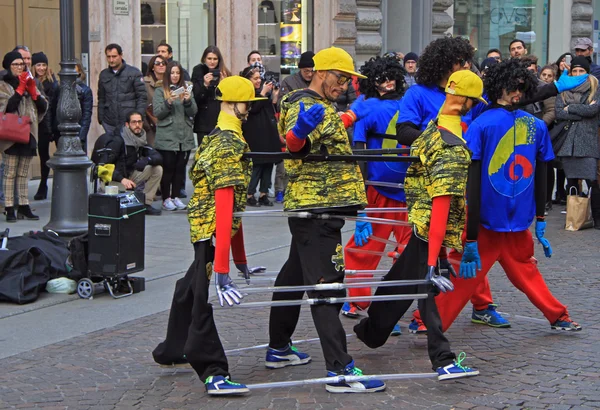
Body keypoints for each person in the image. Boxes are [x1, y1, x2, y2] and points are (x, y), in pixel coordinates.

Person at [267, 46, 386, 394]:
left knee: (293, 277)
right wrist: (299, 133)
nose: (345, 84)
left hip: (318, 208)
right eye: (341, 77)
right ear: (321, 72)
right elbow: (295, 145)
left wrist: (346, 117)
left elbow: (320, 133)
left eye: (349, 80)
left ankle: (278, 347)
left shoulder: (321, 105)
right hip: (316, 210)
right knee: (326, 286)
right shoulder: (304, 104)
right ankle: (340, 370)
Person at [434, 59, 583, 332]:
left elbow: (542, 173)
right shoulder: (483, 125)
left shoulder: (532, 126)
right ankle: (429, 322)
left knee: (526, 273)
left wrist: (539, 217)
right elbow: (473, 181)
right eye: (511, 88)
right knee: (465, 277)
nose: (517, 93)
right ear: (498, 88)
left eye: (521, 88)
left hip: (517, 223)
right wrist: (471, 236)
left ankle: (558, 315)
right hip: (487, 223)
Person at [354, 70, 483, 380]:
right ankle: (443, 359)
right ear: (464, 100)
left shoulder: (428, 134)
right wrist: (433, 259)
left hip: (421, 221)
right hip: (430, 227)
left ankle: (371, 331)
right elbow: (442, 203)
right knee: (424, 285)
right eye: (473, 101)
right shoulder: (451, 146)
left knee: (403, 277)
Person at [152, 76, 265, 395]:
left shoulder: (223, 136)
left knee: (188, 288)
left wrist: (239, 258)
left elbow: (234, 204)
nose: (250, 110)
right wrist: (223, 267)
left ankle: (172, 349)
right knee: (200, 300)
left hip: (209, 226)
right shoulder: (227, 141)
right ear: (232, 104)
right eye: (248, 104)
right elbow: (226, 200)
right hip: (209, 228)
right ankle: (213, 371)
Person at [395, 36, 509, 332]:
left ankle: (482, 304)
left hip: (462, 174)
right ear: (446, 64)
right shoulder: (418, 94)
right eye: (461, 62)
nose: (467, 66)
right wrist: (436, 144)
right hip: (429, 179)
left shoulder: (468, 94)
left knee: (465, 242)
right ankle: (415, 314)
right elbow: (403, 129)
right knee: (424, 247)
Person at [339, 56, 411, 337]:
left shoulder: (407, 104)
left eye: (390, 76)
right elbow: (359, 152)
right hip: (377, 188)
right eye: (380, 79)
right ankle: (358, 301)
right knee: (364, 247)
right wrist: (362, 193)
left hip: (406, 190)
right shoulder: (368, 109)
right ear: (372, 82)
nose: (387, 82)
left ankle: (393, 308)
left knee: (411, 249)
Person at [0, 51, 48, 222]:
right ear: (8, 66)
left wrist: (34, 94)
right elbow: (6, 108)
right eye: (16, 64)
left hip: (28, 131)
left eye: (22, 64)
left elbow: (43, 108)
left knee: (23, 172)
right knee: (10, 172)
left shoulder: (31, 81)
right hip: (10, 134)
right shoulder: (3, 84)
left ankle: (23, 205)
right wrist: (19, 91)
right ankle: (9, 207)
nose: (20, 67)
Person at [555, 56, 600, 228]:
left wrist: (571, 108)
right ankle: (574, 218)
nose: (578, 73)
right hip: (569, 142)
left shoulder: (595, 86)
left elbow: (594, 110)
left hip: (588, 140)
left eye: (581, 70)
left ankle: (597, 218)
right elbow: (559, 113)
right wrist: (583, 111)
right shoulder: (564, 88)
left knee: (592, 181)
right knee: (571, 181)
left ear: (587, 72)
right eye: (575, 70)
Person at [91, 111, 163, 215]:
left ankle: (145, 204)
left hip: (129, 176)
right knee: (121, 208)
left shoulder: (140, 139)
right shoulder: (117, 140)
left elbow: (158, 157)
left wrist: (147, 160)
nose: (137, 125)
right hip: (113, 181)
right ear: (127, 124)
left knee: (157, 169)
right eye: (134, 122)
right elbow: (103, 166)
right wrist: (122, 179)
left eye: (139, 122)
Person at [153, 61, 197, 212]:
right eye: (172, 73)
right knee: (168, 168)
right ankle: (166, 198)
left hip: (183, 135)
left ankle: (176, 196)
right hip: (167, 136)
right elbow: (158, 112)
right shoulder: (160, 91)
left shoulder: (186, 89)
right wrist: (169, 101)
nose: (175, 76)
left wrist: (188, 101)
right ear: (167, 74)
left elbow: (193, 112)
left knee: (180, 168)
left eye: (178, 73)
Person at [275, 51, 315, 202]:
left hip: (312, 127)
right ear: (300, 69)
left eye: (312, 71)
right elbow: (280, 103)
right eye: (306, 71)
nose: (310, 74)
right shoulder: (289, 82)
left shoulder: (317, 80)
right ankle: (282, 189)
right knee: (287, 162)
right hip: (293, 125)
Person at [240, 66, 280, 207]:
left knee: (268, 164)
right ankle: (250, 194)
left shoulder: (263, 91)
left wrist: (274, 96)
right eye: (255, 78)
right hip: (255, 132)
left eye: (259, 78)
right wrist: (263, 93)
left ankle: (264, 193)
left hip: (268, 131)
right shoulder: (245, 92)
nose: (258, 81)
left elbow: (270, 108)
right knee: (257, 165)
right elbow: (254, 109)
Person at [97, 43, 147, 135]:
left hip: (128, 121)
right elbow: (101, 98)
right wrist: (101, 118)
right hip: (109, 122)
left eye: (114, 56)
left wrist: (137, 119)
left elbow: (142, 97)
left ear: (121, 55)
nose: (111, 60)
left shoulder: (134, 72)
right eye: (108, 57)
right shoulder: (104, 74)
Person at [31, 51, 58, 201]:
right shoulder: (30, 81)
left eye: (44, 64)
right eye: (38, 64)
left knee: (44, 155)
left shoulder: (52, 83)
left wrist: (51, 128)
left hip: (46, 125)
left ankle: (43, 184)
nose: (41, 68)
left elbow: (52, 107)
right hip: (34, 122)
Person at [191, 46, 231, 147]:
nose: (212, 62)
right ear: (204, 59)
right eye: (209, 58)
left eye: (215, 59)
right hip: (204, 121)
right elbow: (196, 98)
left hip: (221, 120)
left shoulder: (224, 72)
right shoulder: (198, 71)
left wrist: (223, 85)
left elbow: (229, 99)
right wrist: (205, 85)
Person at [142, 55, 167, 147]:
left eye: (163, 63)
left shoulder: (171, 82)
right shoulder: (145, 82)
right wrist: (146, 124)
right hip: (150, 124)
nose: (161, 65)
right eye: (157, 63)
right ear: (153, 67)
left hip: (168, 125)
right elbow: (141, 103)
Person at [74, 60, 94, 151]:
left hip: (78, 132)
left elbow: (86, 116)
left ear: (79, 71)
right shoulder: (61, 88)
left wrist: (81, 136)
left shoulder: (85, 90)